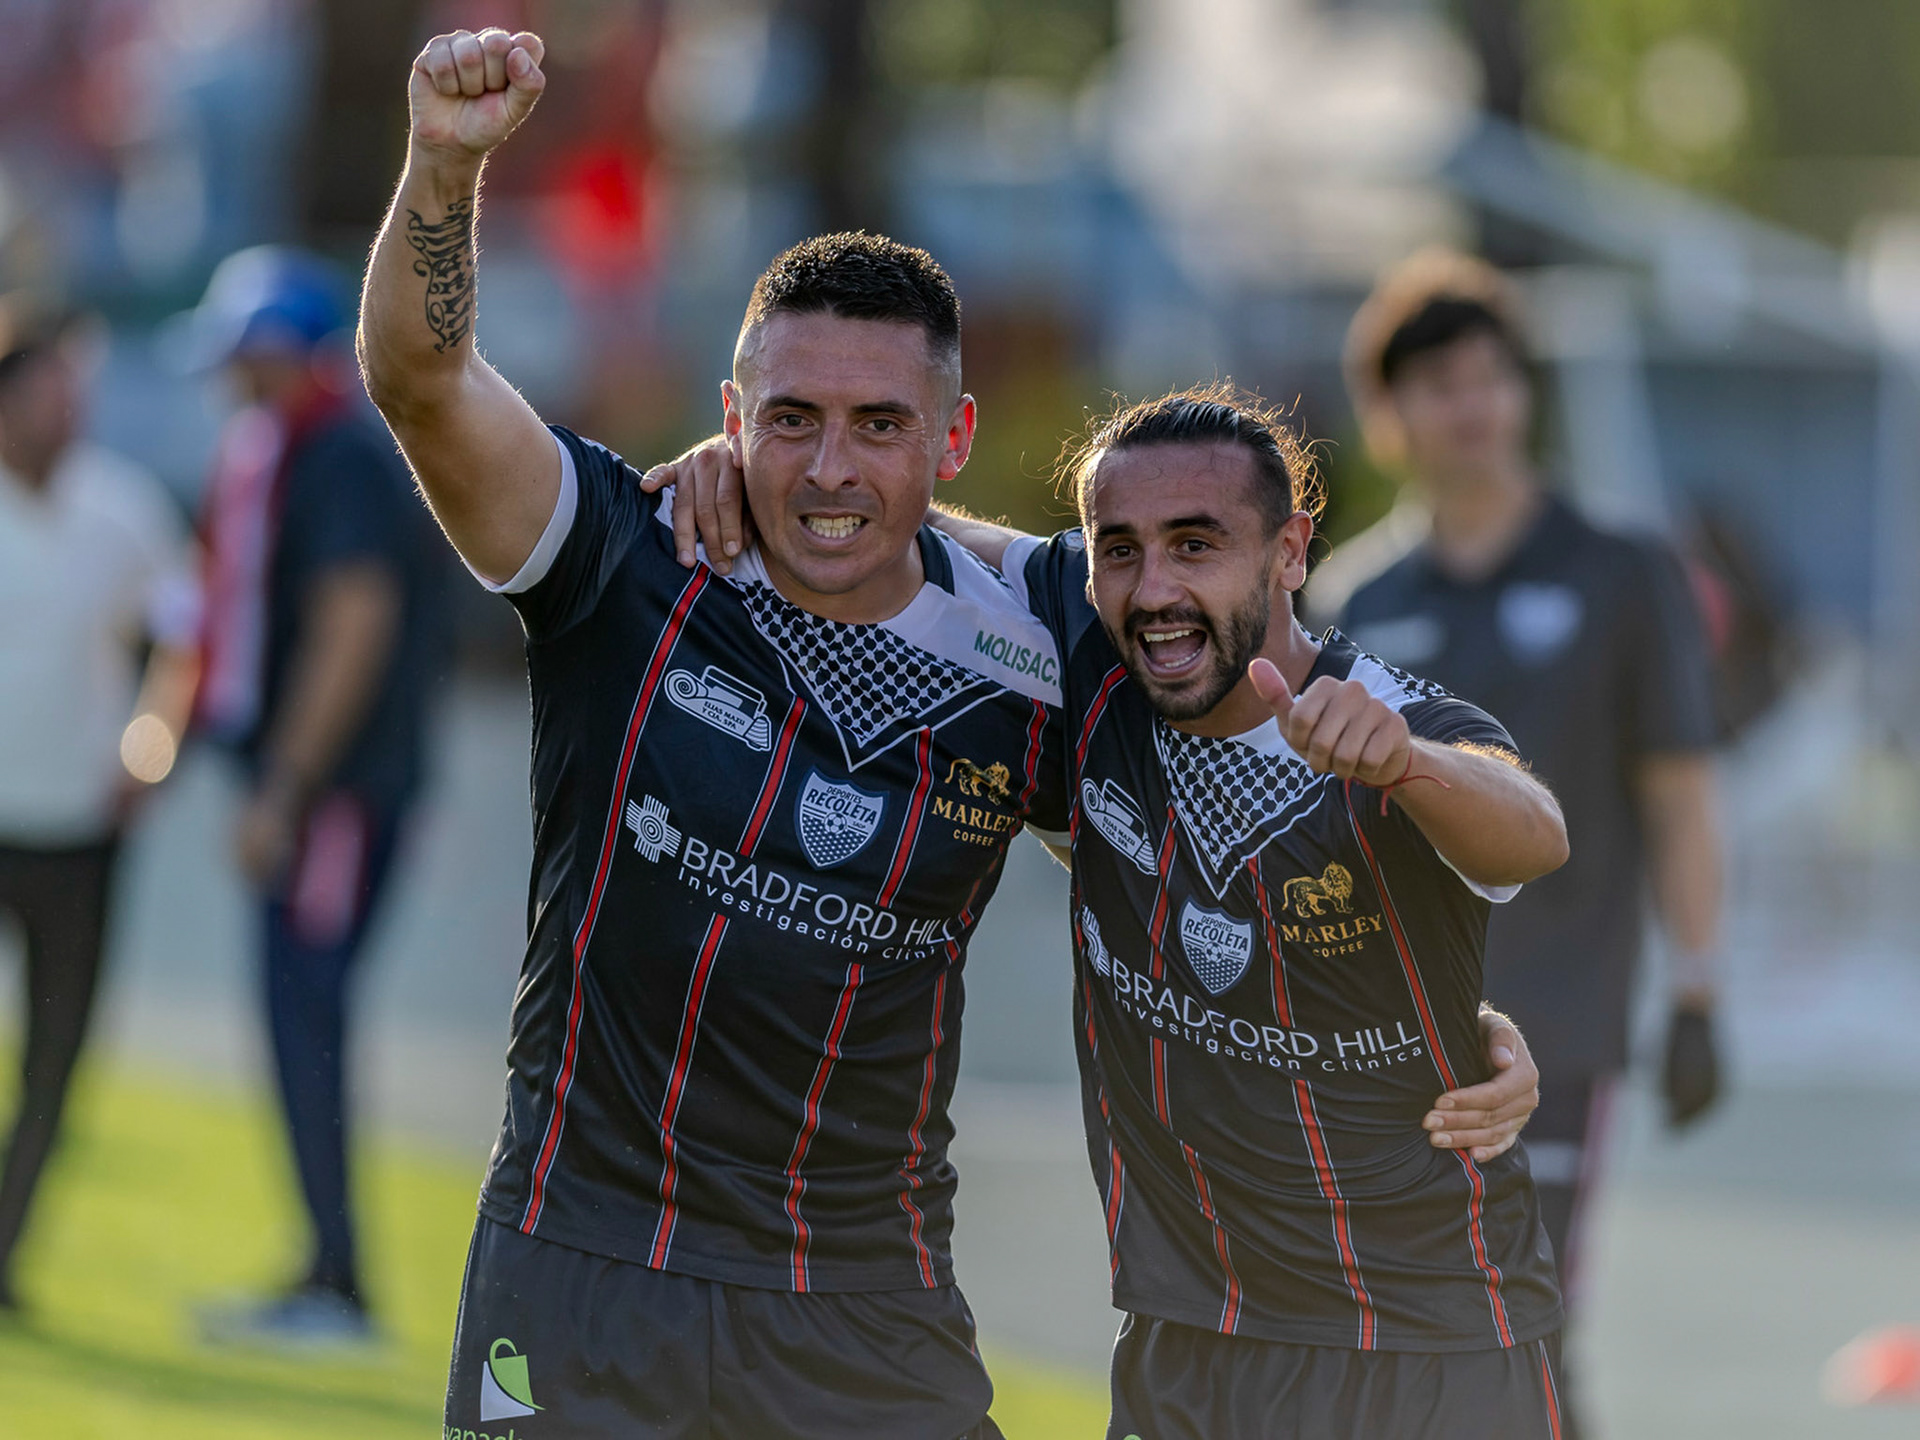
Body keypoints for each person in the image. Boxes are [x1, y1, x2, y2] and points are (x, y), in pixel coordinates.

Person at [361, 29, 1541, 1437]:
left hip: (872, 1306)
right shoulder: (625, 562)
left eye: (878, 424)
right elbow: (425, 384)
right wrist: (444, 166)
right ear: (732, 419)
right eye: (789, 420)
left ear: (954, 436)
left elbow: (1182, 849)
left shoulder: (1046, 648)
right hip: (588, 1267)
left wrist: (1430, 1015)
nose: (831, 467)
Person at [661, 390, 1571, 1438]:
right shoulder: (1092, 657)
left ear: (1289, 551)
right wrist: (736, 466)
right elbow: (892, 516)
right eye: (1121, 549)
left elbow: (1534, 828)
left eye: (1197, 545)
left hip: (1432, 1355)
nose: (1156, 589)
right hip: (1186, 1348)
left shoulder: (1386, 725)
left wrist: (1413, 766)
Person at [1315, 250, 1725, 1436]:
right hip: (1380, 1029)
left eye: (1494, 376)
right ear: (1388, 413)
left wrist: (1697, 992)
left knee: (1525, 1319)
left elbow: (1682, 792)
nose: (1475, 404)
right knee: (1398, 1332)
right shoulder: (1351, 601)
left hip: (1563, 1014)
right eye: (1440, 382)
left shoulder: (1622, 572)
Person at [180, 246, 443, 1344]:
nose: (234, 377)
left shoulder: (336, 454)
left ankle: (337, 1283)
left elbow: (354, 620)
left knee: (310, 1013)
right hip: (320, 788)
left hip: (335, 794)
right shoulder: (292, 446)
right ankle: (324, 1270)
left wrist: (285, 787)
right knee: (298, 1012)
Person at [0, 297, 198, 1309]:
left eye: (74, 393)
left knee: (56, 1056)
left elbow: (182, 637)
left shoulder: (124, 512)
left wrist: (152, 741)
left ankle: (4, 1252)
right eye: (45, 393)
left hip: (80, 829)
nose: (65, 411)